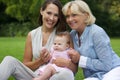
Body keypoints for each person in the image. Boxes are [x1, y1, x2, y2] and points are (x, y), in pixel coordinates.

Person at [0, 0, 77, 80]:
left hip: (55, 76)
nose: (51, 18)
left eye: (56, 15)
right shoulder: (32, 35)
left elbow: (74, 69)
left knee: (65, 75)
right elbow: (25, 65)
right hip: (36, 76)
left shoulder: (64, 36)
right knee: (9, 60)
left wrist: (66, 63)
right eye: (49, 13)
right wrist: (41, 61)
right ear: (41, 11)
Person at [62, 0, 120, 80]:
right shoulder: (72, 34)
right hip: (94, 75)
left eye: (74, 15)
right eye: (67, 16)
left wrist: (80, 59)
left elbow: (107, 65)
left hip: (113, 71)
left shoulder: (97, 32)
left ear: (86, 15)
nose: (70, 19)